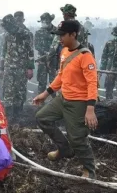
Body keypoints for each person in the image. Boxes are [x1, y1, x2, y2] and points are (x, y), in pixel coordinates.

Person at [32, 20, 99, 178]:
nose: (60, 38)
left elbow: (92, 83)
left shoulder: (85, 56)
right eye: (58, 35)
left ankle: (89, 170)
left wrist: (90, 110)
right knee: (42, 118)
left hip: (79, 103)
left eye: (62, 35)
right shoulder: (64, 52)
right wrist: (46, 93)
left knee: (77, 138)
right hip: (62, 98)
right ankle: (64, 149)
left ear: (73, 34)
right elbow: (61, 76)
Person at [0, 14, 34, 119]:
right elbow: (4, 51)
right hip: (8, 67)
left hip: (21, 67)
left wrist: (30, 68)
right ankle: (8, 117)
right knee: (8, 91)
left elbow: (30, 51)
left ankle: (18, 115)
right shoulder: (6, 35)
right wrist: (1, 68)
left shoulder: (26, 34)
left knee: (20, 91)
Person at [34, 12, 58, 93]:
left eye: (45, 22)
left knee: (54, 82)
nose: (43, 24)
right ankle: (41, 102)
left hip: (54, 60)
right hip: (42, 59)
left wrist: (51, 53)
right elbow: (36, 45)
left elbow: (60, 44)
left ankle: (55, 102)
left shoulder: (57, 31)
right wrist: (45, 52)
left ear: (49, 21)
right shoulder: (38, 32)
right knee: (42, 82)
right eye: (42, 22)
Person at [101, 26, 117, 100]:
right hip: (110, 70)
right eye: (116, 35)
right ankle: (108, 103)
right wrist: (101, 70)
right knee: (108, 88)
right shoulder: (109, 43)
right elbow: (104, 57)